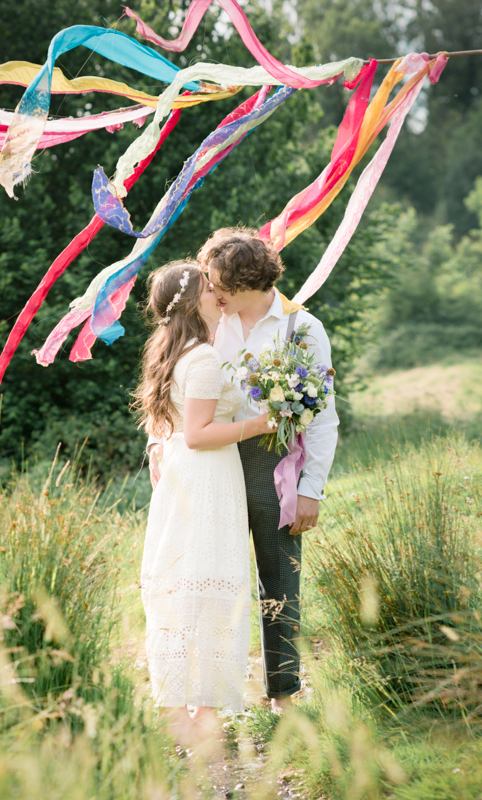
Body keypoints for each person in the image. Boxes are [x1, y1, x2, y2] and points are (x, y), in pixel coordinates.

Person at [149, 228, 339, 713]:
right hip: (210, 470)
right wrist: (157, 442)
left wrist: (312, 488)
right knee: (210, 577)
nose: (209, 290)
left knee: (279, 580)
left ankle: (283, 694)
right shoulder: (210, 322)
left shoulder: (302, 329)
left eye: (215, 281)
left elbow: (322, 416)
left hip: (273, 464)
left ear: (240, 282)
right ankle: (201, 694)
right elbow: (179, 385)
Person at [131, 259, 273, 747]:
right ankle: (202, 716)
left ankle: (180, 710)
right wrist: (258, 425)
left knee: (185, 583)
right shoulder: (205, 359)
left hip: (184, 479)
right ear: (195, 301)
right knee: (208, 586)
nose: (219, 292)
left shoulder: (178, 352)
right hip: (206, 478)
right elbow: (197, 434)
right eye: (211, 287)